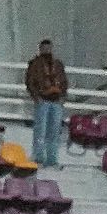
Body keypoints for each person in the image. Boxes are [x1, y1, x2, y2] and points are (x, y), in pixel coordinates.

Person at [24, 39, 68, 168]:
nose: (47, 50)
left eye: (49, 48)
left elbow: (64, 81)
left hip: (56, 101)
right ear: (40, 49)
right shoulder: (35, 64)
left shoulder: (58, 64)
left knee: (54, 131)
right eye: (44, 48)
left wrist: (63, 96)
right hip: (42, 100)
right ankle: (38, 157)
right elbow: (30, 81)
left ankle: (52, 159)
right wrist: (36, 97)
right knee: (40, 130)